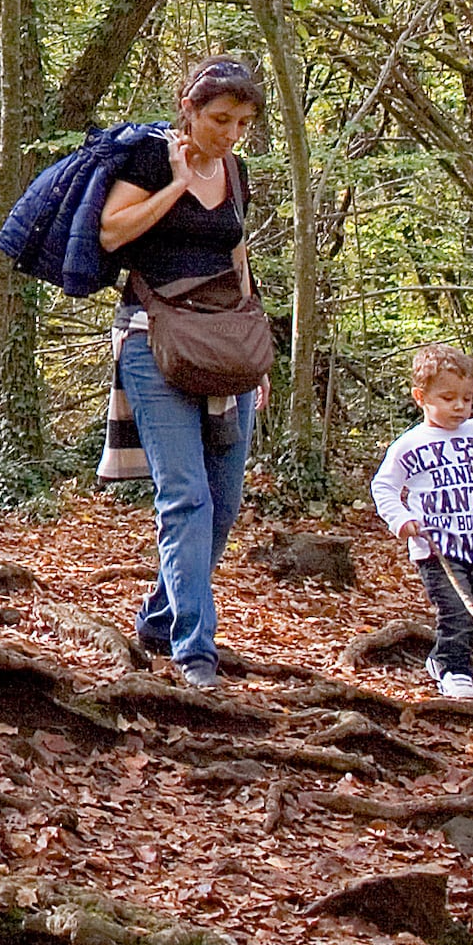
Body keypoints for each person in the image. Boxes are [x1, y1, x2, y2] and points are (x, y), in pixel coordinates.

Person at [97, 52, 265, 688]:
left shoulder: (238, 173)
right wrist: (174, 183)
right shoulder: (149, 159)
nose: (228, 134)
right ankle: (196, 649)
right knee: (186, 496)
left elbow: (238, 256)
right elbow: (114, 234)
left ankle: (161, 621)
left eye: (241, 123)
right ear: (188, 110)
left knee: (222, 504)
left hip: (226, 348)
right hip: (153, 342)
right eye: (219, 118)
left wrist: (257, 352)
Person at [369, 339, 473, 700]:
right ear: (421, 397)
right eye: (448, 398)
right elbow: (384, 486)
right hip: (437, 549)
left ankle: (441, 658)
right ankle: (456, 671)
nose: (459, 406)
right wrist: (401, 520)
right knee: (457, 612)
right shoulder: (411, 444)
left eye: (466, 398)